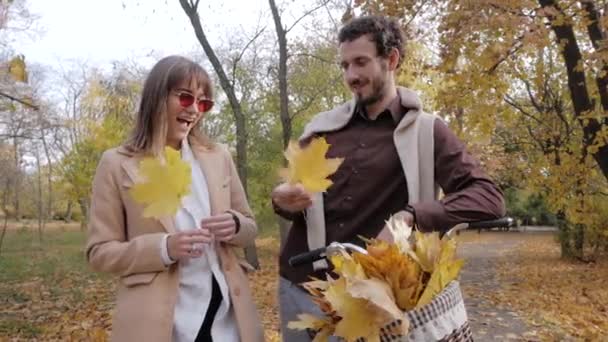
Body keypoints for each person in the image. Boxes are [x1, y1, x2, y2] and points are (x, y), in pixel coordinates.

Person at [271, 15, 506, 341]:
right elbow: (297, 201)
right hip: (301, 288)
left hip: (372, 301)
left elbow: (488, 197)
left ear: (391, 59)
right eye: (344, 65)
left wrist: (411, 217)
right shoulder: (321, 129)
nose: (351, 75)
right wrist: (281, 200)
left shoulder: (427, 131)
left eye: (361, 62)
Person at [86, 55, 264, 342]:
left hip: (227, 317)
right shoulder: (117, 164)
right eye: (185, 98)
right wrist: (164, 248)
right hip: (159, 324)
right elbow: (99, 253)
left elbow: (250, 226)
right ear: (157, 97)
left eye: (203, 103)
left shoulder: (218, 156)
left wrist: (235, 225)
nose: (195, 110)